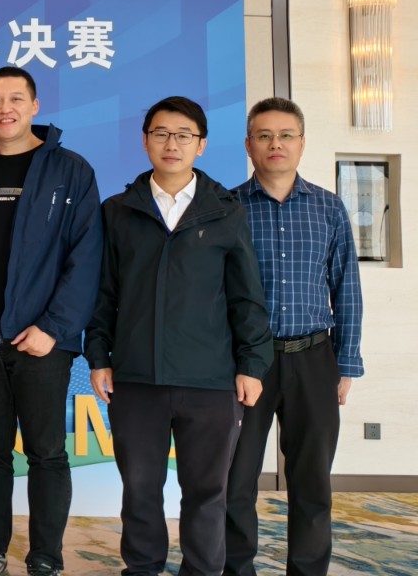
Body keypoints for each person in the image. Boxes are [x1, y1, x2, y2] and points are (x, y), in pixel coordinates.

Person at [86, 96, 272, 576]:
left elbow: (246, 298)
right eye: (162, 133)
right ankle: (142, 569)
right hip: (136, 378)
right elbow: (103, 293)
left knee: (207, 493)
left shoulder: (225, 212)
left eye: (184, 135)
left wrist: (252, 365)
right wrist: (98, 356)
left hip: (210, 380)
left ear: (201, 145)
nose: (172, 144)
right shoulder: (117, 211)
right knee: (140, 489)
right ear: (145, 140)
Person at [0, 67, 102, 576]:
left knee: (46, 452)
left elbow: (86, 257)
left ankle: (45, 559)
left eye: (16, 98)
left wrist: (54, 328)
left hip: (42, 340)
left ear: (35, 106)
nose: (5, 108)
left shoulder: (70, 170)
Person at [224, 98, 363, 576]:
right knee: (235, 480)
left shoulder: (328, 207)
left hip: (313, 358)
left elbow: (346, 288)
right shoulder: (226, 208)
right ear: (249, 145)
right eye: (264, 135)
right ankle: (236, 568)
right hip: (245, 362)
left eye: (286, 135)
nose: (275, 144)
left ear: (302, 143)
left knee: (312, 483)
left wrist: (346, 364)